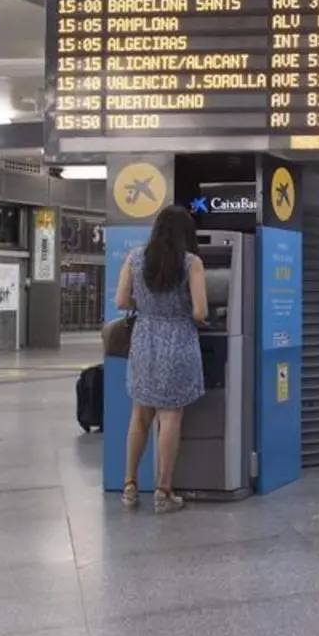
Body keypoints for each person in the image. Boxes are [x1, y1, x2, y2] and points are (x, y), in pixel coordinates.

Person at [114, 205, 208, 514]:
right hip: (178, 341)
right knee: (170, 417)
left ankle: (128, 485)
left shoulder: (136, 257)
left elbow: (120, 301)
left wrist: (148, 307)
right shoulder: (191, 263)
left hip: (144, 340)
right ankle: (163, 492)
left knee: (140, 416)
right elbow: (199, 312)